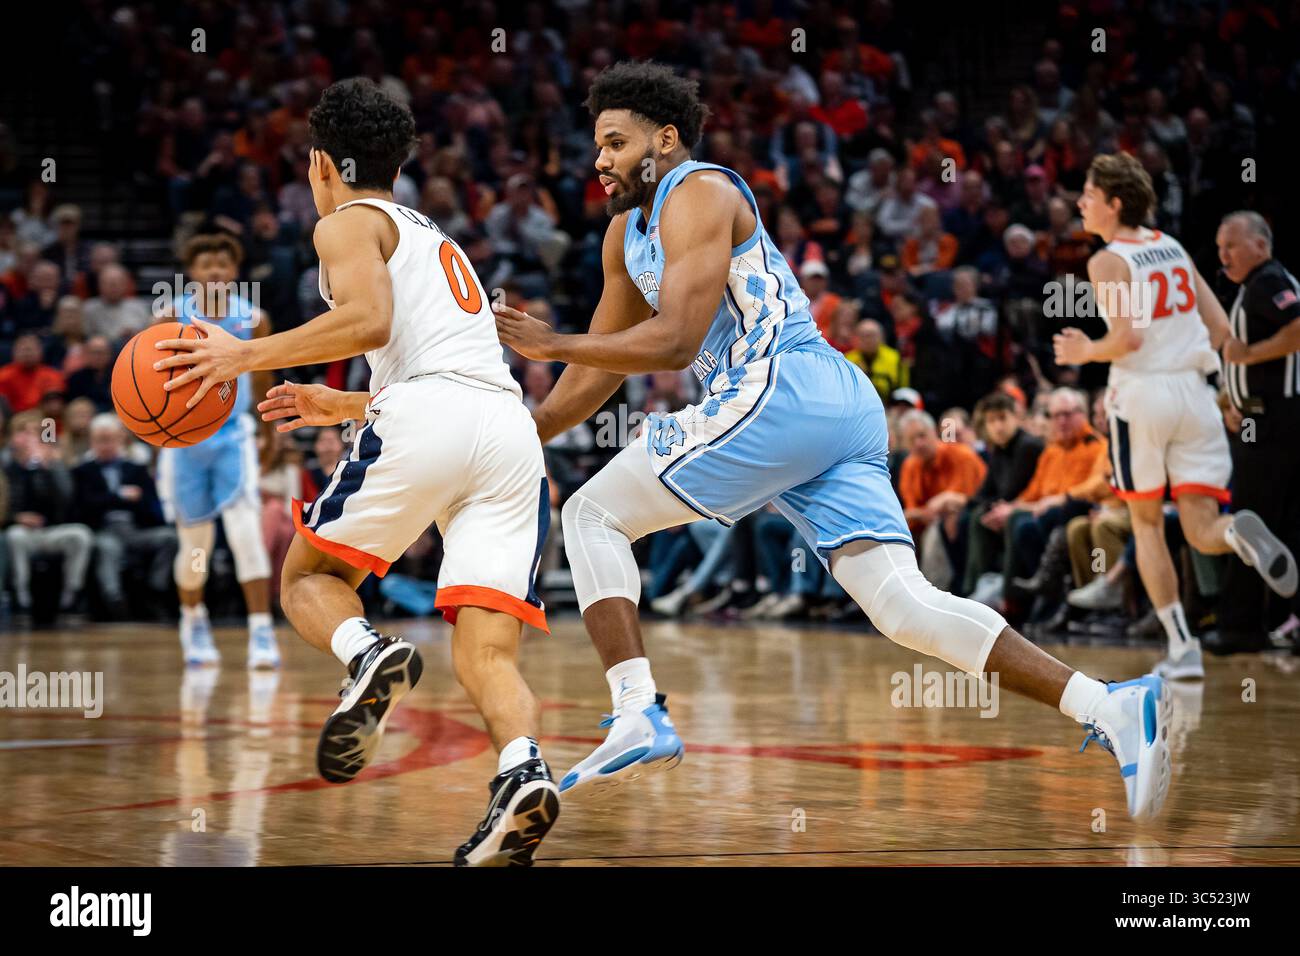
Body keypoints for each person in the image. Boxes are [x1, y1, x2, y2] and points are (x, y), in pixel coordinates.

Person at [494, 61, 1175, 821]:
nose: (601, 160)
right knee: (902, 607)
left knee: (592, 515)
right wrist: (523, 433)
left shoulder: (699, 189)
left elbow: (677, 341)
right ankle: (1111, 706)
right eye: (598, 144)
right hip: (827, 408)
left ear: (666, 138)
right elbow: (603, 363)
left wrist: (552, 344)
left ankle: (635, 712)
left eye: (616, 142)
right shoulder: (625, 235)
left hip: (781, 383)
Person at [153, 78, 559, 866]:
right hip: (507, 435)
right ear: (396, 165)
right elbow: (434, 362)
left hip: (431, 419)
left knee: (305, 576)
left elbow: (369, 323)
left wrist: (246, 354)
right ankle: (523, 772)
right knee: (487, 651)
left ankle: (369, 656)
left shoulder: (344, 223)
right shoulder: (435, 236)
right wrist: (342, 404)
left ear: (320, 165)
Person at [1054, 153, 1297, 680]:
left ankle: (1183, 651)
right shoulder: (1173, 248)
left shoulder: (1108, 260)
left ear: (1115, 204)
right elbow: (1219, 328)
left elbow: (1127, 338)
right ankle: (1237, 534)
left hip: (1143, 395)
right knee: (1203, 526)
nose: (1080, 204)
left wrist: (1082, 351)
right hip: (1195, 395)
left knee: (1146, 524)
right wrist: (1230, 395)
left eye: (1089, 196)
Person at [153, 233, 281, 670]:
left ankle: (261, 631)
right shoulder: (171, 316)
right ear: (192, 272)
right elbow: (151, 385)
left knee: (247, 535)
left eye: (222, 264)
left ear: (234, 271)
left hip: (233, 436)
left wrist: (269, 432)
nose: (214, 271)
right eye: (206, 264)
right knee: (195, 545)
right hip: (184, 440)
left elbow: (263, 379)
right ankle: (193, 621)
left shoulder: (253, 318)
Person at [1215, 211, 1300, 651]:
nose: (1223, 254)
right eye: (1219, 247)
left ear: (1261, 246)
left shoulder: (1269, 280)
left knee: (1250, 522)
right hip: (1261, 418)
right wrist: (1233, 400)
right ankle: (1274, 621)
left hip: (1273, 421)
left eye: (1231, 244)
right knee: (1275, 522)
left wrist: (1247, 357)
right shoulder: (1258, 283)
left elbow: (1298, 329)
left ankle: (1240, 627)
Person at [73, 414, 176, 620]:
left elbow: (152, 507)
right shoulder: (82, 471)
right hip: (103, 530)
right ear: (92, 442)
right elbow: (81, 508)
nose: (106, 445)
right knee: (107, 548)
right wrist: (118, 496)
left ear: (121, 439)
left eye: (110, 439)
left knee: (170, 538)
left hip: (135, 529)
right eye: (100, 440)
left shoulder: (136, 469)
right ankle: (114, 600)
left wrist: (133, 501)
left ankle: (156, 590)